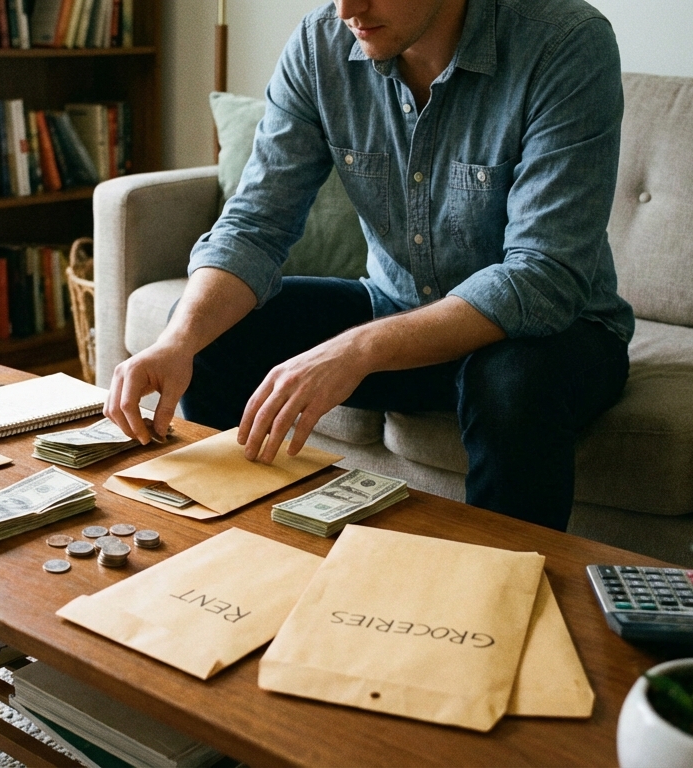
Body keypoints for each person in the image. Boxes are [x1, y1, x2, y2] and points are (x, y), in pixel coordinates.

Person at [104, 0, 634, 531]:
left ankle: (499, 590)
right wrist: (179, 339)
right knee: (210, 334)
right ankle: (230, 545)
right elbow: (255, 224)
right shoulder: (319, 47)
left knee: (511, 383)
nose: (347, 9)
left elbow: (542, 277)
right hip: (395, 308)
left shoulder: (565, 42)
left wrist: (357, 348)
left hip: (552, 335)